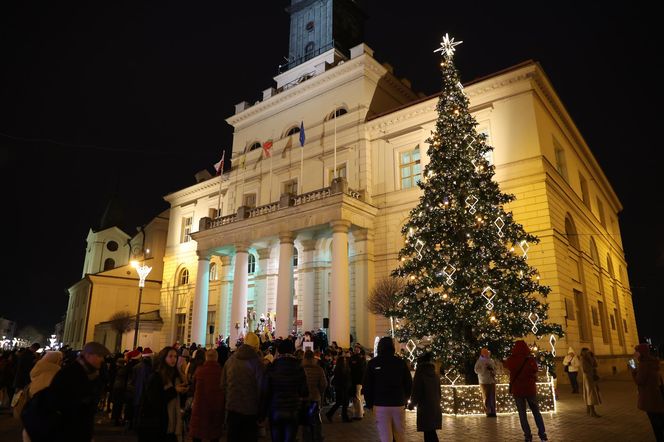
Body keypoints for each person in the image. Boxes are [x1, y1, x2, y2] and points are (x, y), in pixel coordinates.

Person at [23, 341, 110, 442]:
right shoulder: (72, 374)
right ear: (88, 355)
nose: (102, 359)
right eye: (99, 356)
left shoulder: (88, 374)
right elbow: (66, 408)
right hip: (66, 434)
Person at [362, 337, 413, 442]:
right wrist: (405, 399)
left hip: (381, 404)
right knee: (400, 435)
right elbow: (408, 383)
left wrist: (369, 403)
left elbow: (367, 385)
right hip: (398, 402)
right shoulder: (400, 363)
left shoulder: (373, 363)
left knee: (385, 437)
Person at [261, 338, 309, 442]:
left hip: (276, 409)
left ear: (279, 350)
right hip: (292, 410)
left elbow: (266, 391)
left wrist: (262, 413)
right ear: (292, 351)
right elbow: (305, 391)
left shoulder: (272, 367)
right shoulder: (299, 367)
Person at [137, 346, 188, 442]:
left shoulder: (176, 377)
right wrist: (174, 391)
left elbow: (178, 399)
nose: (174, 359)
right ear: (164, 358)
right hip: (157, 424)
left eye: (175, 357)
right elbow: (155, 400)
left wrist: (182, 392)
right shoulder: (156, 376)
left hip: (171, 424)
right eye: (170, 356)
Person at [222, 331, 264, 442]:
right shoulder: (257, 363)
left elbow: (223, 385)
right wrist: (261, 413)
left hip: (232, 409)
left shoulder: (230, 361)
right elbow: (261, 389)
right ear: (256, 346)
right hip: (250, 411)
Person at [504, 340, 547, 442]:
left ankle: (527, 435)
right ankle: (542, 434)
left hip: (518, 390)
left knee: (522, 414)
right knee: (536, 412)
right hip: (530, 389)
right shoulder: (530, 359)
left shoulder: (511, 360)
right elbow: (535, 370)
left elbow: (507, 368)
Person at [629, 343, 664, 440]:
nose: (635, 352)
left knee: (656, 425)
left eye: (636, 351)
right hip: (657, 396)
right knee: (660, 420)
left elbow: (639, 381)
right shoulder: (653, 362)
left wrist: (633, 363)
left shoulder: (644, 365)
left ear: (641, 352)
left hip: (649, 398)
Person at [189, 350, 225, 442]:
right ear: (217, 358)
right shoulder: (221, 371)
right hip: (216, 408)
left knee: (197, 434)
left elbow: (193, 388)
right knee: (214, 435)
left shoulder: (199, 371)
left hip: (199, 407)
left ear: (206, 358)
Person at [408, 352, 441, 442]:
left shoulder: (420, 374)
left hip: (425, 407)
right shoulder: (434, 374)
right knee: (430, 431)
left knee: (429, 433)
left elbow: (416, 390)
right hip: (435, 406)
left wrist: (412, 404)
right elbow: (439, 391)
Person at [301, 349, 327, 442]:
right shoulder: (319, 369)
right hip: (315, 398)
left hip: (303, 399)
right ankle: (317, 437)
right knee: (316, 419)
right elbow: (324, 384)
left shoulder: (301, 369)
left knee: (305, 420)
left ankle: (306, 438)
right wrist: (320, 392)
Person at [325, 350, 351, 423]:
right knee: (343, 402)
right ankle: (342, 417)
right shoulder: (341, 368)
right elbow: (343, 377)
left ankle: (332, 414)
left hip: (342, 386)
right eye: (345, 359)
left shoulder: (341, 368)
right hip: (342, 386)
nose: (346, 360)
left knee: (341, 402)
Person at [474, 347, 497, 417]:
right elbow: (476, 370)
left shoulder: (491, 360)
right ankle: (488, 411)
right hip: (484, 381)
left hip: (491, 380)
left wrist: (492, 371)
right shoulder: (479, 361)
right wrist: (483, 369)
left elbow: (494, 369)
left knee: (492, 396)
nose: (487, 354)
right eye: (485, 353)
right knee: (486, 396)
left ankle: (493, 411)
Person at [579, 347, 601, 417]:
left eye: (588, 352)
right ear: (583, 352)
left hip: (591, 377)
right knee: (591, 394)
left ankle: (589, 409)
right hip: (588, 378)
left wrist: (593, 357)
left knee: (590, 393)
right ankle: (592, 411)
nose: (588, 353)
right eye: (586, 352)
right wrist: (590, 359)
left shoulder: (589, 358)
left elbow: (595, 365)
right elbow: (585, 369)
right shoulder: (583, 359)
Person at [349, 343, 367, 420]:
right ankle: (360, 412)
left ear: (359, 350)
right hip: (356, 381)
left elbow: (360, 371)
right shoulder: (357, 358)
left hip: (358, 381)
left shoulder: (360, 359)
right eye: (355, 348)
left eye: (357, 348)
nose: (356, 350)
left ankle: (359, 414)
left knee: (357, 398)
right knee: (357, 397)